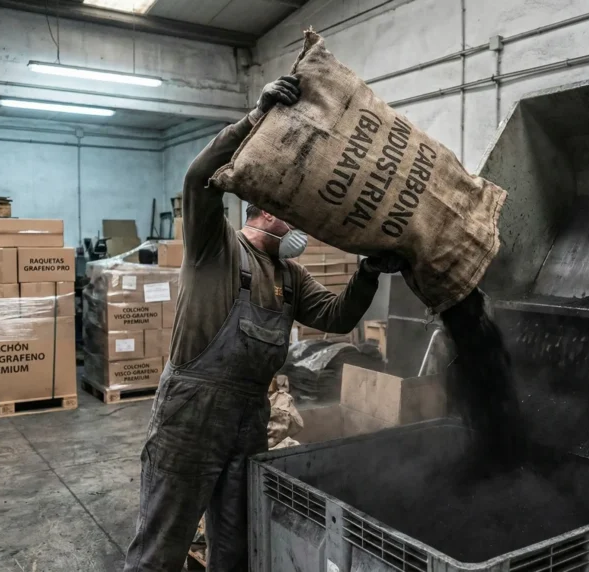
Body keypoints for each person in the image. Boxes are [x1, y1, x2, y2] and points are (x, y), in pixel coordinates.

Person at [124, 75, 405, 571]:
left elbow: (338, 318)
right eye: (292, 215)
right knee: (162, 545)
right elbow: (197, 178)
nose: (299, 227)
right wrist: (253, 121)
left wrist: (367, 272)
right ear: (268, 212)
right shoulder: (218, 247)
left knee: (237, 544)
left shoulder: (291, 277)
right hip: (193, 413)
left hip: (248, 416)